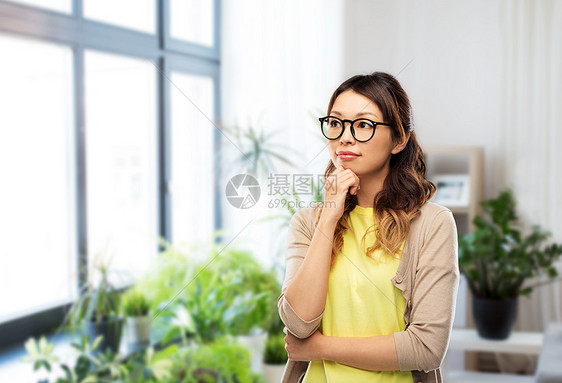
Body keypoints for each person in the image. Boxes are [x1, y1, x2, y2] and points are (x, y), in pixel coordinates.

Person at [277, 72, 459, 383]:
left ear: (399, 140)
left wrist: (320, 348)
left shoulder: (432, 224)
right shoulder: (309, 222)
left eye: (363, 124)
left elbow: (426, 348)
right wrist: (330, 214)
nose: (344, 137)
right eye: (335, 123)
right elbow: (298, 324)